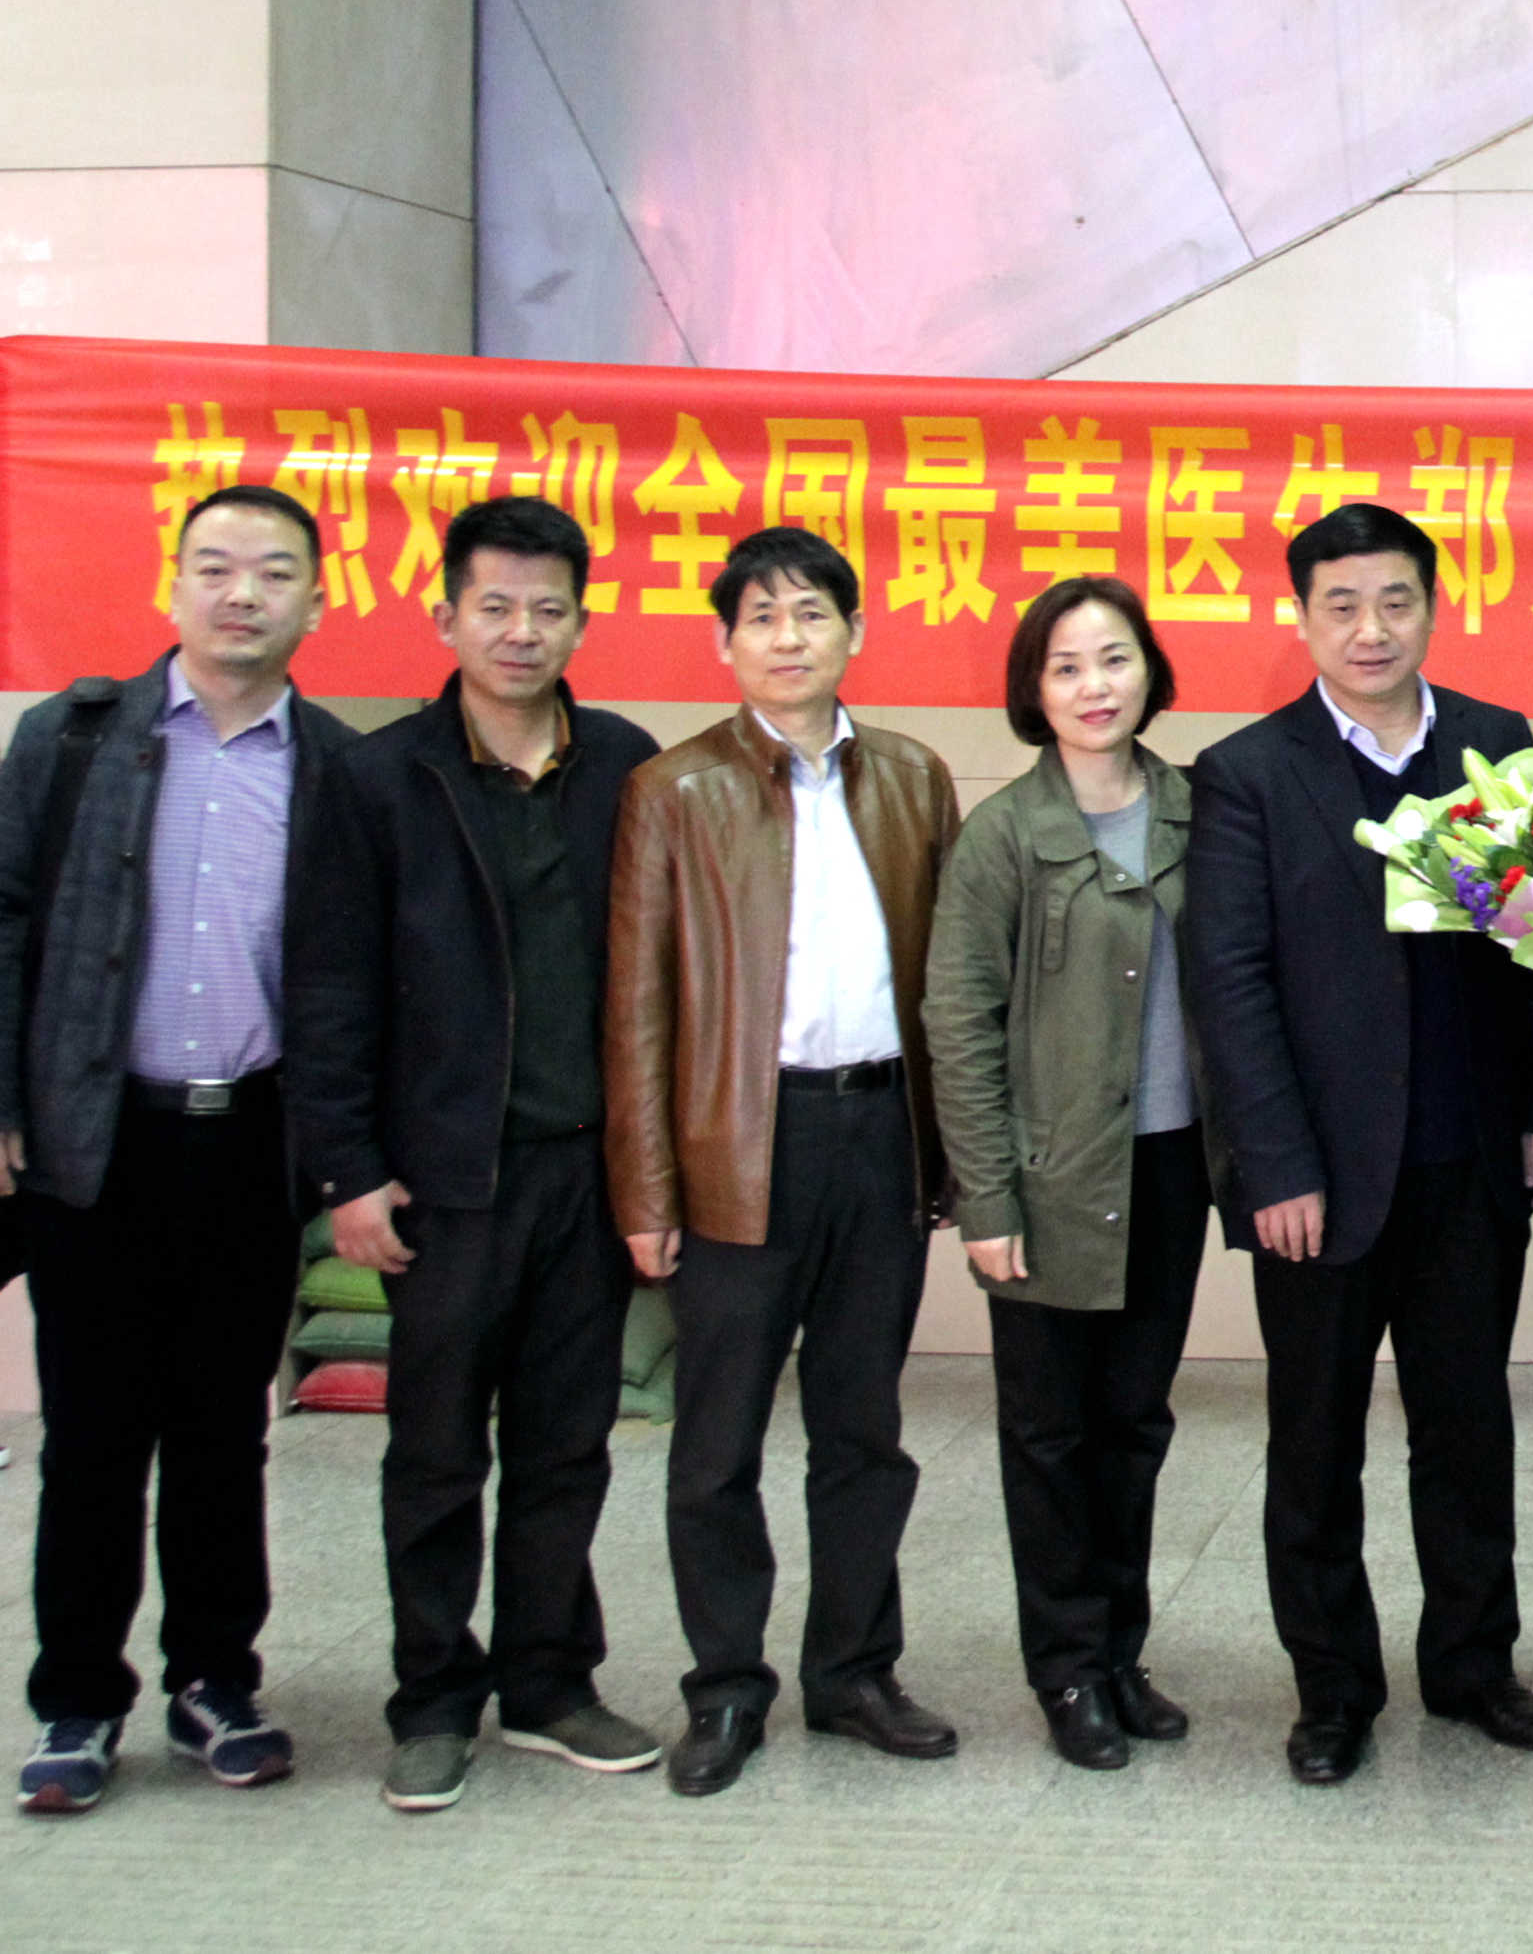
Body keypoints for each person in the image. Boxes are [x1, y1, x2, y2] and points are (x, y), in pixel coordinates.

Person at [1184, 502, 1533, 1787]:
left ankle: (1472, 1665)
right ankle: (1333, 1688)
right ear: (1302, 617)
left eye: (1395, 599)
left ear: (1432, 608)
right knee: (1315, 1443)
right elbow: (1230, 983)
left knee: (1468, 1430)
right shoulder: (1246, 772)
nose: (1371, 628)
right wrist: (1275, 1167)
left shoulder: (1495, 745)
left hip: (1471, 1158)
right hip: (1320, 1180)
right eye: (1343, 604)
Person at [287, 496, 667, 1812]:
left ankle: (550, 1681)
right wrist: (347, 1170)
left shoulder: (626, 764)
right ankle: (434, 1697)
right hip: (446, 1177)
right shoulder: (378, 775)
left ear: (581, 621)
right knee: (438, 1449)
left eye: (547, 607)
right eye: (494, 605)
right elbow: (328, 985)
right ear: (443, 614)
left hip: (586, 1170)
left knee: (569, 1443)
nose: (521, 630)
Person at [4, 485, 358, 1816]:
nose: (242, 593)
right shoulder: (73, 738)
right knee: (93, 1436)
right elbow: (4, 912)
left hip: (250, 1141)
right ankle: (77, 1696)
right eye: (216, 566)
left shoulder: (336, 767)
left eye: (273, 571)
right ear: (173, 584)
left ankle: (216, 1679)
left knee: (223, 1433)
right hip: (94, 1141)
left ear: (315, 599)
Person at [604, 525, 961, 1796]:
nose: (788, 637)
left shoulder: (912, 777)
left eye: (811, 612)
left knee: (865, 1431)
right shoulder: (673, 788)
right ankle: (724, 1686)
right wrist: (647, 1188)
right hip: (735, 1144)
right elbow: (637, 1007)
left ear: (854, 632)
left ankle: (855, 1670)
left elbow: (951, 983)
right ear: (725, 643)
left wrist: (949, 1158)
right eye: (761, 617)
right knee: (717, 1443)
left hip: (879, 1133)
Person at [923, 577, 1206, 1772]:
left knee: (1134, 1422)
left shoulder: (1198, 809)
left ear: (1150, 669)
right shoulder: (1004, 834)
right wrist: (985, 1197)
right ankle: (1067, 1665)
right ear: (1034, 690)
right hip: (1046, 1178)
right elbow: (958, 1020)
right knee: (1050, 1434)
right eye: (1068, 666)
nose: (1096, 686)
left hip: (1172, 1167)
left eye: (1115, 658)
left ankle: (1121, 1650)